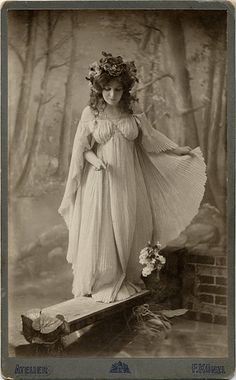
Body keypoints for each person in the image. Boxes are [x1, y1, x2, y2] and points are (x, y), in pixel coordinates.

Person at [58, 52, 206, 303]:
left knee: (128, 225)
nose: (112, 95)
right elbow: (81, 149)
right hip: (102, 180)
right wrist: (96, 163)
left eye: (117, 89)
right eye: (107, 89)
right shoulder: (91, 113)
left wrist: (177, 150)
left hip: (128, 179)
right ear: (99, 88)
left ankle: (125, 276)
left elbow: (151, 139)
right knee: (103, 228)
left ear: (125, 90)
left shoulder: (132, 111)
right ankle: (102, 279)